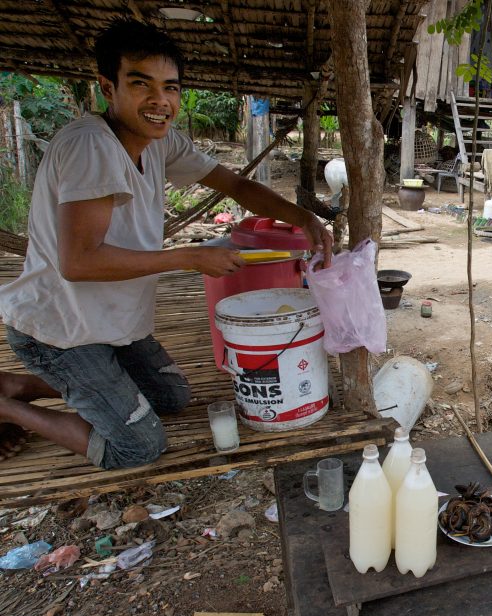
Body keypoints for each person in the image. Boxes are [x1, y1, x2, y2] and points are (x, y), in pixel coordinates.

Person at [0, 20, 334, 469]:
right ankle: (8, 406)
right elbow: (78, 262)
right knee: (137, 447)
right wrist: (191, 257)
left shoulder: (158, 142)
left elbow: (233, 183)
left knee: (172, 396)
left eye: (171, 88)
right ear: (107, 87)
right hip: (60, 331)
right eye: (141, 84)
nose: (160, 101)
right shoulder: (90, 147)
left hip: (109, 325)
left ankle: (18, 385)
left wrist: (303, 217)